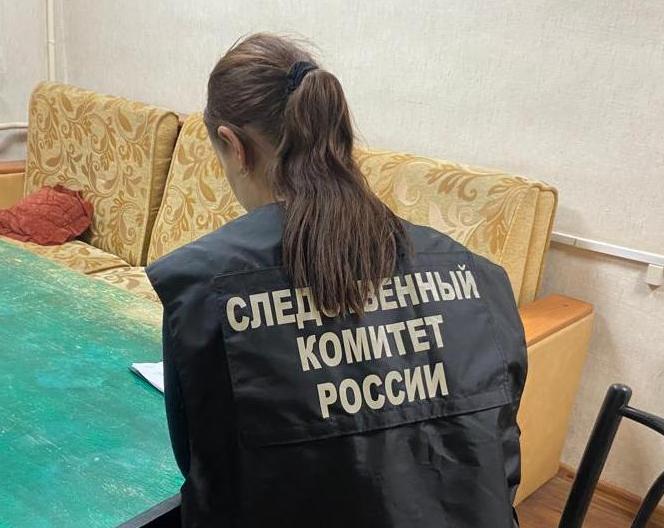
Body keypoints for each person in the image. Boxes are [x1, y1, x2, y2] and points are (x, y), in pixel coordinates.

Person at [146, 32, 527, 528]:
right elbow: (497, 456)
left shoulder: (203, 288)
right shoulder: (478, 277)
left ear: (234, 147)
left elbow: (203, 468)